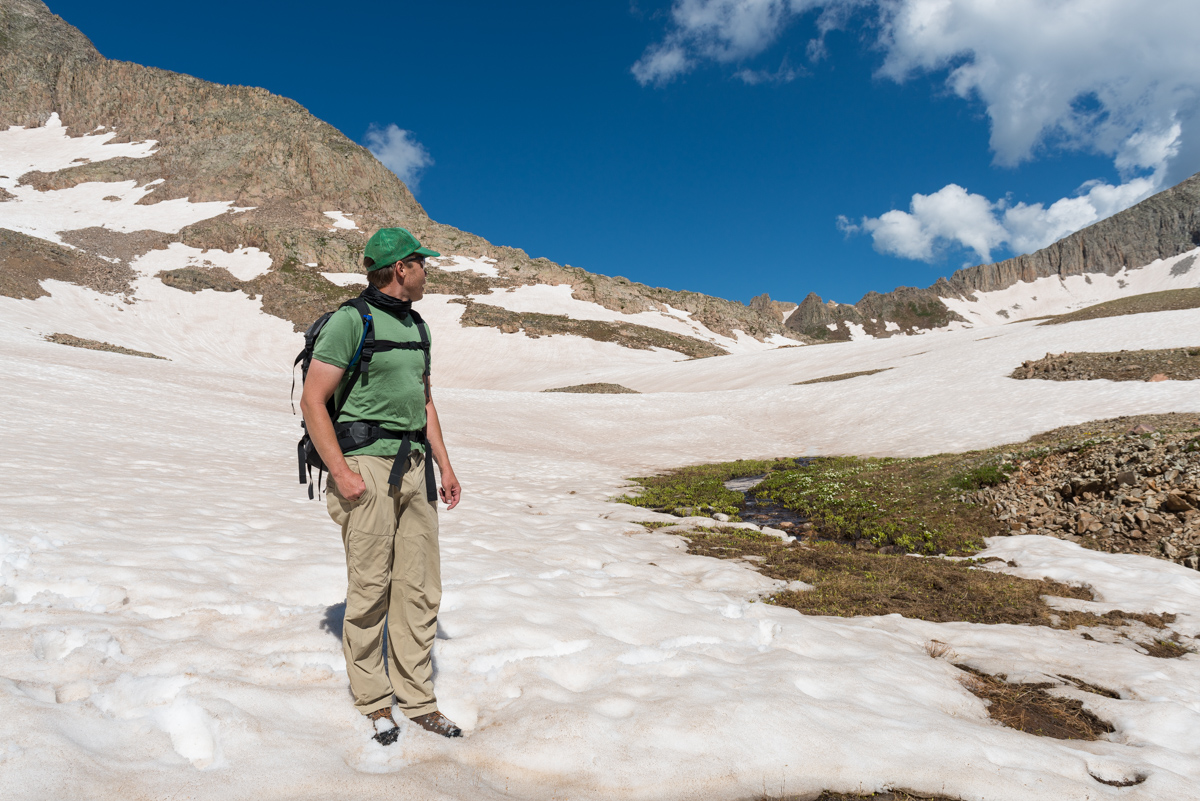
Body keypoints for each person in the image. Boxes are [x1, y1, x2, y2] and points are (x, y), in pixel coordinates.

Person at [300, 227, 463, 743]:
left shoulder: (419, 327)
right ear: (400, 268)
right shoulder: (351, 322)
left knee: (419, 587)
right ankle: (373, 701)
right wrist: (342, 473)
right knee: (370, 588)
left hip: (415, 467)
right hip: (365, 465)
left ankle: (419, 701)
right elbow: (313, 401)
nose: (426, 270)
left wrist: (446, 464)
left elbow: (425, 400)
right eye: (421, 263)